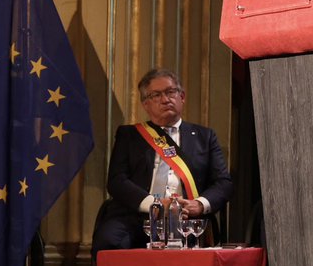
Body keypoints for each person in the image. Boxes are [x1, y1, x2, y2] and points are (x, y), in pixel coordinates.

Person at [92, 68, 233, 251]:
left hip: (187, 219)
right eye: (156, 95)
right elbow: (117, 181)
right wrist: (155, 205)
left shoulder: (204, 137)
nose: (165, 99)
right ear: (145, 104)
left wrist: (200, 204)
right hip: (137, 216)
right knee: (109, 242)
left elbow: (224, 183)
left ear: (182, 97)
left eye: (170, 92)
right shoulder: (130, 135)